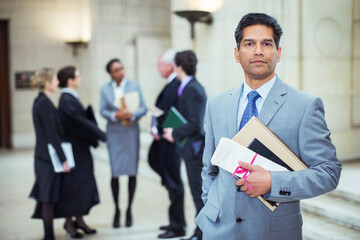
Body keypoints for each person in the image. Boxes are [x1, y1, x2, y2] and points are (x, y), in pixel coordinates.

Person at [195, 13, 342, 240]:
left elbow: (328, 172)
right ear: (237, 54)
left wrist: (274, 182)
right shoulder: (216, 104)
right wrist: (211, 206)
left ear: (278, 52)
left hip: (273, 232)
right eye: (249, 44)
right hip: (219, 230)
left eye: (266, 43)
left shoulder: (305, 106)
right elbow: (209, 168)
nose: (258, 51)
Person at [56, 66, 106, 238]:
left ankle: (79, 219)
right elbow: (79, 122)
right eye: (78, 76)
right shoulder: (67, 100)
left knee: (82, 184)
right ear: (70, 80)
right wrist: (101, 134)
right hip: (74, 149)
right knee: (74, 185)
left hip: (80, 148)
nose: (80, 78)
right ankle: (69, 223)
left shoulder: (70, 98)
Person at [163, 50, 207, 240]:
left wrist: (174, 132)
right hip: (189, 148)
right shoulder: (188, 87)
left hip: (195, 150)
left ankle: (202, 232)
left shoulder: (193, 89)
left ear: (179, 67)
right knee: (196, 191)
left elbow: (195, 124)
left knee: (198, 193)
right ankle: (200, 231)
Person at [100, 58, 147, 228]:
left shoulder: (134, 86)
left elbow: (143, 107)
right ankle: (117, 210)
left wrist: (131, 115)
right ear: (111, 74)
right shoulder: (105, 89)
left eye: (122, 68)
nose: (121, 72)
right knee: (115, 172)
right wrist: (114, 116)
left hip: (130, 132)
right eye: (116, 70)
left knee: (131, 171)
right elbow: (102, 110)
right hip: (114, 133)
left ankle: (128, 210)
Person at [147, 49, 186, 239]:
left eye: (160, 65)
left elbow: (176, 112)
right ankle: (175, 221)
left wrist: (164, 129)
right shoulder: (170, 85)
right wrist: (153, 123)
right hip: (163, 138)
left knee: (174, 182)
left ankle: (178, 225)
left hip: (171, 140)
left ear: (170, 66)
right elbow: (162, 109)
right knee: (168, 179)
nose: (157, 68)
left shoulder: (177, 84)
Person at [29, 68, 71, 240]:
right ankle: (49, 236)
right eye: (54, 80)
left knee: (48, 198)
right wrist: (64, 160)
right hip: (47, 159)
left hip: (43, 157)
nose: (57, 83)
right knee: (47, 199)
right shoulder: (44, 103)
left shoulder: (41, 100)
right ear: (46, 83)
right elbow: (51, 135)